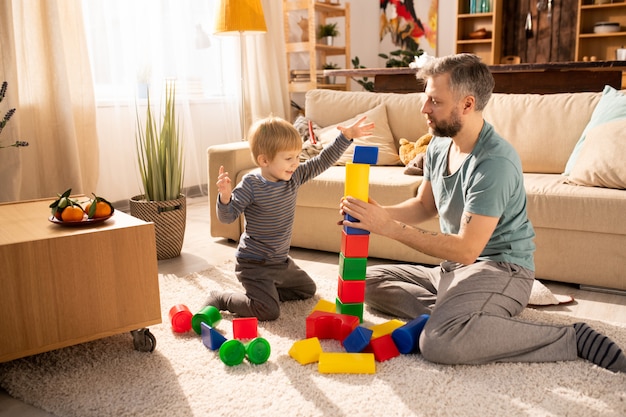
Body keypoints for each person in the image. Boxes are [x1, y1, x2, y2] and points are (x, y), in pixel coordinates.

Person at [339, 53, 626, 373]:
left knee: (437, 343)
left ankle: (571, 338)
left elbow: (467, 249)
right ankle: (466, 317)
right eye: (425, 99)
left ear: (466, 104)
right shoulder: (437, 144)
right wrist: (373, 214)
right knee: (367, 281)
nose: (424, 109)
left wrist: (388, 228)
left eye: (434, 101)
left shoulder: (494, 162)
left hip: (501, 269)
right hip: (452, 271)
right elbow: (424, 205)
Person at [209, 115, 374, 321]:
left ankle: (268, 291)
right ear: (264, 160)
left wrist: (345, 137)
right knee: (268, 311)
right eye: (289, 158)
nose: (295, 163)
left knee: (307, 289)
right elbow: (227, 217)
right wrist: (225, 198)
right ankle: (223, 298)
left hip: (280, 262)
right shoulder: (251, 184)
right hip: (254, 264)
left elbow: (322, 161)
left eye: (297, 157)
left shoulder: (294, 177)